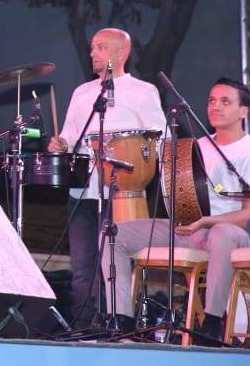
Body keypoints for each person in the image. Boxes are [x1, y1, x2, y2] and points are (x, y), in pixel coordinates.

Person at [100, 78, 250, 343]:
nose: (215, 106)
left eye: (225, 101)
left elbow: (249, 214)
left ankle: (212, 324)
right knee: (113, 235)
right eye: (212, 100)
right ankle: (121, 320)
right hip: (189, 229)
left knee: (220, 233)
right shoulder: (195, 147)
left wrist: (206, 221)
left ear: (243, 111)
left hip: (231, 235)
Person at [46, 28, 165, 328]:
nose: (92, 53)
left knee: (114, 264)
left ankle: (117, 324)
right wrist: (61, 143)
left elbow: (159, 140)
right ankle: (83, 329)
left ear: (121, 53)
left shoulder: (143, 91)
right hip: (83, 191)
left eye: (100, 47)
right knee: (83, 270)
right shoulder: (82, 92)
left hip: (122, 193)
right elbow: (70, 136)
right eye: (92, 48)